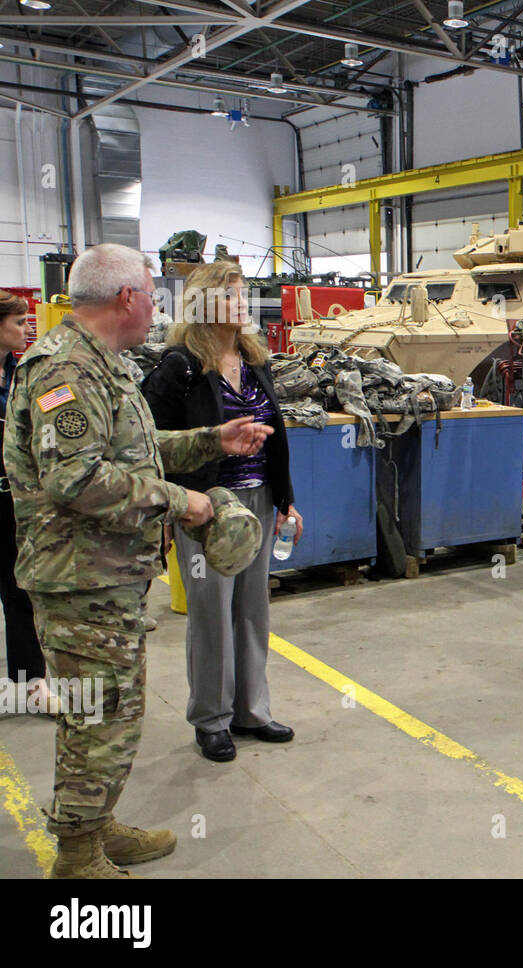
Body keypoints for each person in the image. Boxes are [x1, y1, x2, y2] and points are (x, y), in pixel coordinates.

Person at [2, 244, 272, 878]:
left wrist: (213, 439)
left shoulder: (106, 364)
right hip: (78, 581)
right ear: (127, 298)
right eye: (152, 295)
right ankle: (75, 856)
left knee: (114, 715)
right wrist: (190, 504)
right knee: (95, 716)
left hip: (109, 579)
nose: (157, 308)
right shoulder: (63, 371)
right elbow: (81, 480)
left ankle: (95, 827)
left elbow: (134, 453)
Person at [144, 260, 302, 763]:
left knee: (252, 609)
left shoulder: (255, 359)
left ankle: (251, 710)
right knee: (211, 614)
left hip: (256, 501)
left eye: (244, 295)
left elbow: (275, 438)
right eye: (232, 295)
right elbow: (150, 443)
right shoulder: (181, 365)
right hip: (206, 506)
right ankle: (211, 718)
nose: (243, 305)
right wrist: (173, 509)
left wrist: (285, 500)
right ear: (204, 304)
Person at [0, 290, 49, 714]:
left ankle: (29, 686)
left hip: (12, 500)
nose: (26, 329)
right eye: (18, 323)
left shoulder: (21, 371)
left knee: (20, 592)